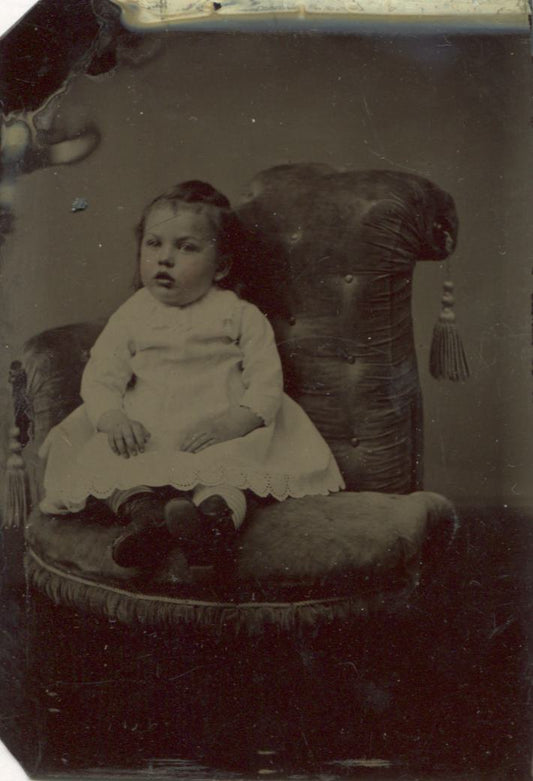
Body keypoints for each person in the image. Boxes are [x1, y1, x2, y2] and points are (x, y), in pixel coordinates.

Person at [39, 181, 344, 569]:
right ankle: (146, 519)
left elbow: (267, 380)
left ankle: (212, 526)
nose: (165, 259)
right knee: (112, 466)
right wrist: (113, 419)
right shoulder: (133, 313)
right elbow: (102, 375)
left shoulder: (239, 314)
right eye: (154, 244)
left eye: (186, 247)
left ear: (222, 266)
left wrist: (236, 422)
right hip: (147, 427)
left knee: (227, 474)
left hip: (215, 427)